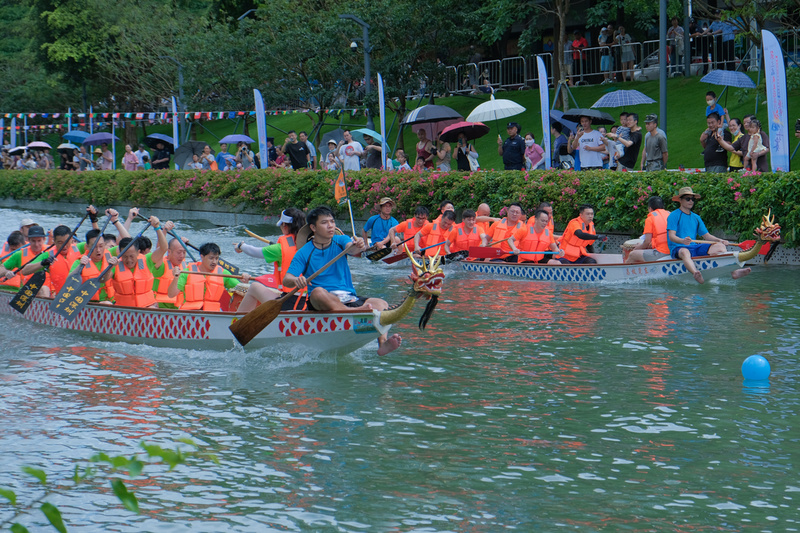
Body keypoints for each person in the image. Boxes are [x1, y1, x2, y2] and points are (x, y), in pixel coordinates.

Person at [283, 206, 402, 356]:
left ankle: (382, 343)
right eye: (325, 222)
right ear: (313, 227)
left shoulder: (340, 241)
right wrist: (296, 280)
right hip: (322, 301)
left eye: (332, 221)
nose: (330, 225)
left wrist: (358, 246)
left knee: (381, 304)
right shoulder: (304, 252)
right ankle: (355, 313)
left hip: (348, 297)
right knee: (318, 292)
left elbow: (352, 250)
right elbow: (286, 279)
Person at [666, 186, 749, 283]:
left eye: (692, 199)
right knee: (685, 252)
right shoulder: (674, 215)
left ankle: (734, 272)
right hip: (678, 247)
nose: (691, 201)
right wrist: (682, 241)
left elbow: (707, 236)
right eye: (687, 199)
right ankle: (696, 273)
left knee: (720, 247)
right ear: (680, 200)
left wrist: (720, 240)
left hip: (694, 246)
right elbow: (671, 236)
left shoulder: (696, 217)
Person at [235, 208, 306, 313]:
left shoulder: (280, 248)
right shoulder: (310, 244)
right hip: (307, 301)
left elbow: (254, 252)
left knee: (254, 287)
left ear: (285, 225)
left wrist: (241, 246)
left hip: (290, 304)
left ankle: (237, 322)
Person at [167, 242, 250, 310]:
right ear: (202, 257)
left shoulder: (223, 273)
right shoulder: (187, 272)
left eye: (216, 258)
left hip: (212, 315)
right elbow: (171, 294)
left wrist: (245, 282)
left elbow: (242, 289)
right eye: (211, 258)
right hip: (190, 314)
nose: (214, 262)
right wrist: (176, 277)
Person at [109, 217, 168, 308]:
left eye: (132, 256)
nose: (129, 260)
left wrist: (157, 228)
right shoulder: (115, 264)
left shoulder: (148, 259)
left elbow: (164, 248)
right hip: (123, 309)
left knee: (152, 308)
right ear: (120, 254)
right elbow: (103, 280)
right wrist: (110, 267)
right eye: (125, 256)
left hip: (147, 307)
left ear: (138, 252)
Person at [0, 225, 51, 296]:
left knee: (44, 288)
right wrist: (6, 272)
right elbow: (1, 269)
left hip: (51, 293)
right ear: (28, 240)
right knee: (43, 289)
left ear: (44, 239)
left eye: (39, 241)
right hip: (27, 293)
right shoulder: (19, 254)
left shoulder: (51, 252)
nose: (36, 245)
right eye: (33, 241)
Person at [626, 196, 670, 263]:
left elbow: (646, 242)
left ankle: (625, 272)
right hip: (674, 249)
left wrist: (637, 248)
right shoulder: (670, 214)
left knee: (633, 254)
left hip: (662, 252)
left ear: (650, 209)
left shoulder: (650, 219)